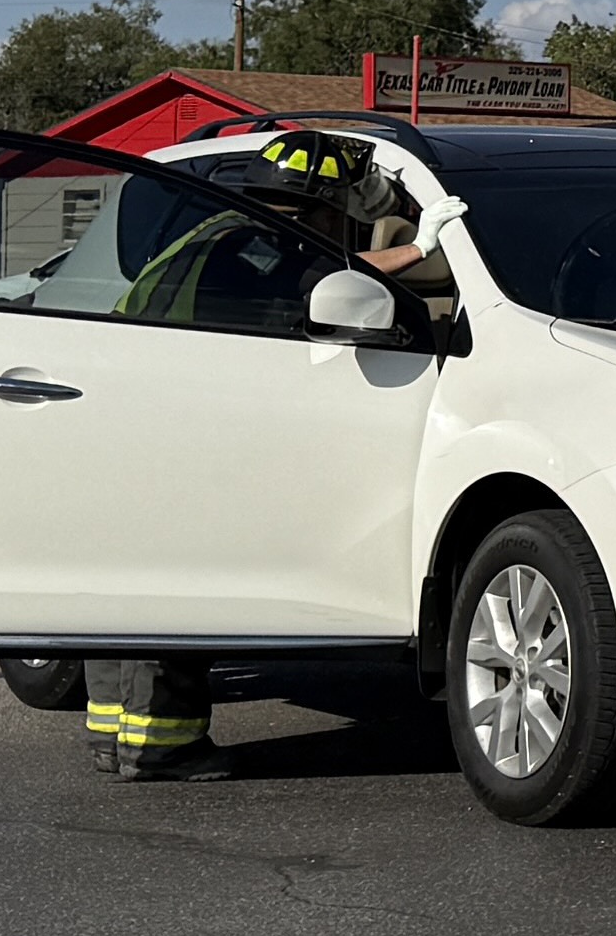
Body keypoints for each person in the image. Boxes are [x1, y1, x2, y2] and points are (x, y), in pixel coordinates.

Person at [92, 130, 447, 785]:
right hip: (180, 432)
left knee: (128, 587)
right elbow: (335, 281)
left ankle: (114, 735)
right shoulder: (263, 243)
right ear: (319, 205)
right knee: (175, 592)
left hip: (130, 419)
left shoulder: (215, 230)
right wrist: (421, 248)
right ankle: (162, 747)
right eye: (343, 209)